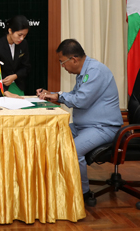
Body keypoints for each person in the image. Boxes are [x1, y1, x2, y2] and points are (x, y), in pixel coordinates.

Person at [36, 39, 122, 203]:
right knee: (52, 136)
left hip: (103, 128)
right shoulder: (84, 72)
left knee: (74, 151)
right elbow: (75, 95)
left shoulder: (95, 71)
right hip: (83, 126)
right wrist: (53, 94)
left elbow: (81, 101)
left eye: (62, 62)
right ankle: (61, 184)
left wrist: (58, 96)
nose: (62, 66)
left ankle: (82, 193)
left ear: (74, 59)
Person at [0, 15, 31, 97]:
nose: (22, 38)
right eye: (19, 35)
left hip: (17, 85)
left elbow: (26, 67)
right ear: (10, 31)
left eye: (24, 35)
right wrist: (5, 92)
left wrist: (15, 76)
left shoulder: (23, 44)